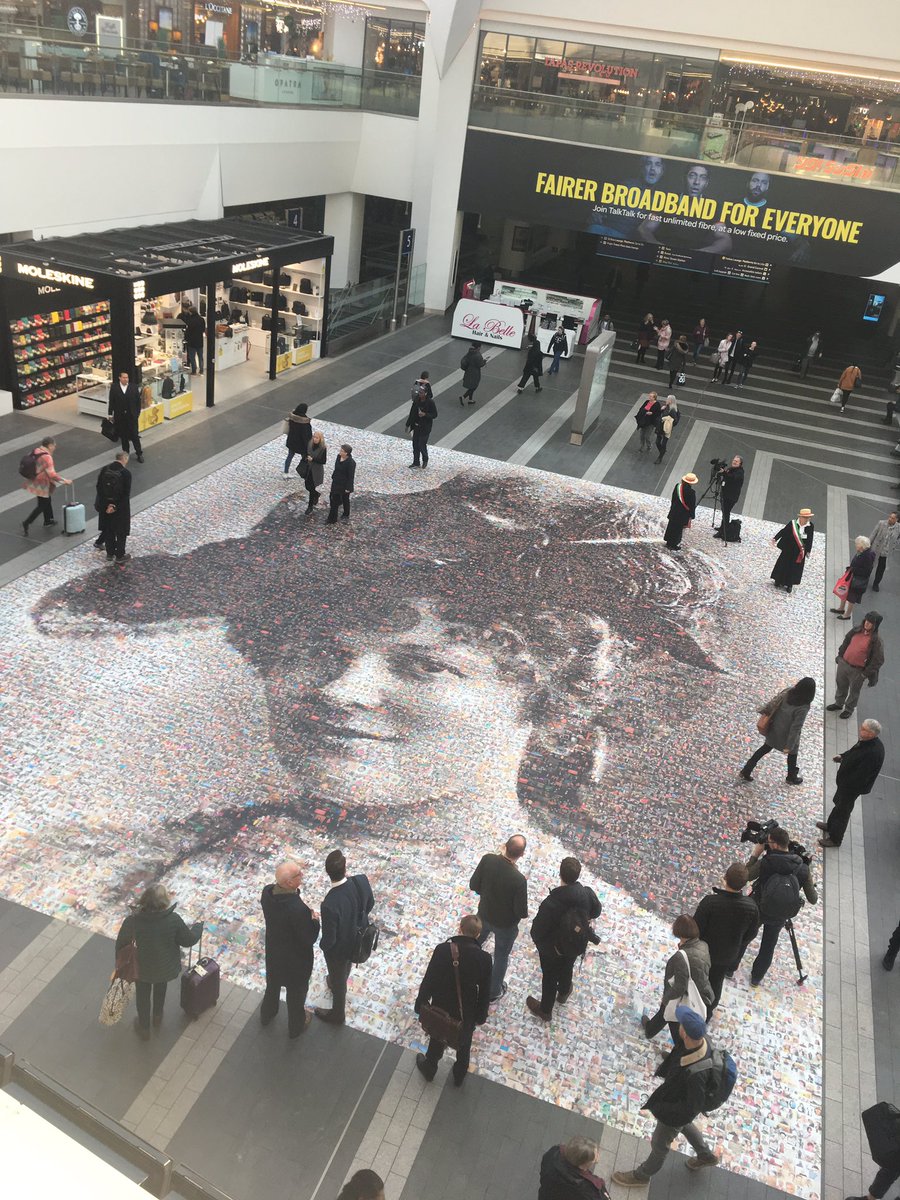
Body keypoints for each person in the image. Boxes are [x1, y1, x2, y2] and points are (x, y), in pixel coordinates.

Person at [612, 1006, 723, 1185]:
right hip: (677, 1098)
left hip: (674, 1111)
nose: (678, 1025)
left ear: (685, 1033)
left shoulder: (697, 1074)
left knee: (659, 1145)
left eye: (681, 1024)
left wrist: (664, 1110)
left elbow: (690, 1109)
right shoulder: (700, 1041)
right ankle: (705, 1155)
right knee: (685, 1125)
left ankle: (641, 1176)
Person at [115, 883, 202, 1040]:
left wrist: (121, 966)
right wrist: (198, 927)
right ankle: (157, 1016)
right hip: (164, 966)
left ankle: (144, 1028)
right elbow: (188, 940)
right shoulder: (173, 920)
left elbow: (121, 945)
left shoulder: (132, 921)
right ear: (164, 901)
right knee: (160, 988)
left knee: (142, 995)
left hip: (140, 967)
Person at [414, 913, 492, 1085]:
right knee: (464, 1040)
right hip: (467, 1008)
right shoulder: (484, 959)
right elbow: (485, 991)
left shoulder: (442, 949)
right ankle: (459, 1074)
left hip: (441, 1001)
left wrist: (421, 1002)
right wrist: (481, 1015)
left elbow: (430, 978)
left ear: (460, 928)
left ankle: (430, 1067)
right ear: (478, 934)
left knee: (437, 1032)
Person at [526, 856, 601, 1022]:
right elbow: (596, 911)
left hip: (553, 949)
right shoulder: (586, 893)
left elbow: (537, 930)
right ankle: (564, 991)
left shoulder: (551, 902)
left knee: (550, 976)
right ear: (578, 875)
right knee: (568, 965)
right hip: (576, 943)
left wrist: (542, 946)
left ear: (560, 874)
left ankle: (545, 1010)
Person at [745, 826, 817, 985]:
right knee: (769, 945)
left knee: (745, 936)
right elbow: (813, 898)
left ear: (775, 845)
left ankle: (730, 968)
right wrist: (807, 872)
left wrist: (755, 855)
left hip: (759, 908)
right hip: (781, 913)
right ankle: (756, 978)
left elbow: (745, 876)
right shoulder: (802, 868)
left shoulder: (767, 862)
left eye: (769, 842)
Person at [259, 860, 320, 1037]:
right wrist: (315, 921)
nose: (302, 875)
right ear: (289, 883)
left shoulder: (267, 893)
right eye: (298, 874)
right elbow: (308, 938)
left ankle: (267, 1014)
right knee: (296, 995)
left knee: (272, 987)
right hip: (295, 961)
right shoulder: (297, 909)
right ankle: (296, 1026)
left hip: (274, 953)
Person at [314, 849, 375, 1025]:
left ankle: (337, 1014)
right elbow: (370, 903)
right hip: (359, 938)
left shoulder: (329, 904)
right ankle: (334, 981)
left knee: (339, 980)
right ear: (345, 867)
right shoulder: (360, 881)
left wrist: (323, 947)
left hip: (340, 950)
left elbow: (329, 940)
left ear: (327, 873)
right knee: (344, 968)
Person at [469, 834, 528, 1002]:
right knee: (501, 956)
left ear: (505, 846)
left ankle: (464, 969)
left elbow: (473, 884)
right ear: (522, 854)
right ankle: (493, 991)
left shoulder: (487, 860)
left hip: (484, 915)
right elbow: (521, 912)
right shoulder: (519, 880)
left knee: (474, 944)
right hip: (505, 925)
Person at [693, 864, 760, 1011]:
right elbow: (751, 933)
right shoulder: (751, 906)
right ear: (744, 884)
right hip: (728, 954)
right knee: (716, 982)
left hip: (704, 951)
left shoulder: (710, 902)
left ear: (725, 879)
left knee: (695, 978)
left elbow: (696, 927)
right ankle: (708, 1010)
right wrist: (739, 943)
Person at [641, 914, 713, 1042]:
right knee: (665, 1014)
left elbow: (678, 986)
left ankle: (677, 1053)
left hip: (684, 997)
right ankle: (650, 1029)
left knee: (674, 1020)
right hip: (702, 990)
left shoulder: (680, 957)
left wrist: (666, 998)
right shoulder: (704, 945)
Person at [818, 718, 884, 848]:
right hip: (846, 785)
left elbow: (861, 776)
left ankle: (835, 839)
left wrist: (845, 785)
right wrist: (843, 757)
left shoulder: (873, 752)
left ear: (872, 734)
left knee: (843, 811)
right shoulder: (866, 742)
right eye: (861, 727)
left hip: (851, 788)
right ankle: (830, 825)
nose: (860, 730)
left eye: (864, 729)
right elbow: (854, 752)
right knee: (838, 805)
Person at [739, 676, 815, 786]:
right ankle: (791, 777)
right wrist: (789, 745)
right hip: (787, 734)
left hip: (775, 728)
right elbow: (796, 727)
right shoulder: (803, 707)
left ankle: (746, 770)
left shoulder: (789, 692)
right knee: (792, 755)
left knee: (764, 748)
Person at [827, 611, 884, 718]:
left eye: (871, 622)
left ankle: (849, 709)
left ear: (875, 626)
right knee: (841, 685)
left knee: (854, 691)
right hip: (844, 663)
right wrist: (840, 656)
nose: (867, 623)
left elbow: (878, 660)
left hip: (858, 670)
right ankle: (838, 703)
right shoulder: (856, 630)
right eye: (867, 620)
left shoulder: (876, 641)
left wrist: (864, 674)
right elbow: (846, 642)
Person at [21, 437, 71, 535]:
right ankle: (27, 522)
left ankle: (48, 520)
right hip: (42, 483)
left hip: (34, 480)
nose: (55, 448)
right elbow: (52, 474)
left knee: (46, 500)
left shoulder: (37, 450)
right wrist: (64, 481)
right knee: (42, 505)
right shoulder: (47, 457)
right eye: (54, 446)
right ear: (50, 445)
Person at [94, 451, 133, 564]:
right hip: (120, 508)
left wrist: (107, 505)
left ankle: (110, 553)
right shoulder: (126, 473)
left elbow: (99, 488)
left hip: (105, 507)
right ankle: (120, 555)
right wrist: (115, 506)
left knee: (108, 529)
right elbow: (126, 493)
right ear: (125, 459)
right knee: (121, 531)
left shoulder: (105, 469)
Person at [539, 1136, 606, 1200]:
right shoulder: (589, 1189)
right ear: (582, 1166)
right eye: (595, 1159)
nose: (598, 1157)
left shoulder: (553, 1153)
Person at [831, 535, 876, 620]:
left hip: (857, 580)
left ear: (862, 546)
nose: (856, 546)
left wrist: (853, 569)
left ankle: (847, 614)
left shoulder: (867, 556)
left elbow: (867, 571)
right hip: (852, 576)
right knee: (844, 591)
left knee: (851, 597)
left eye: (857, 544)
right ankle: (841, 608)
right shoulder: (862, 552)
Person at [770, 508, 814, 593]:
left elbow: (810, 538)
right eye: (806, 517)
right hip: (788, 549)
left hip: (799, 551)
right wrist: (775, 538)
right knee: (783, 564)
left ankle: (789, 584)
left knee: (794, 568)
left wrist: (808, 550)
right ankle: (778, 580)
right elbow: (784, 531)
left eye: (808, 517)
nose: (808, 519)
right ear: (801, 517)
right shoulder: (793, 523)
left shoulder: (810, 526)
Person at [108, 371, 144, 462]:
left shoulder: (133, 387)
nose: (126, 379)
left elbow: (138, 402)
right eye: (124, 377)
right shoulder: (114, 387)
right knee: (124, 437)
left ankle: (139, 453)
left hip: (132, 417)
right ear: (119, 378)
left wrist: (137, 414)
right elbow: (111, 401)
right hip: (120, 417)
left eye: (127, 377)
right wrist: (110, 413)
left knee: (135, 436)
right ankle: (126, 454)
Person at [406, 372, 437, 469]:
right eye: (419, 392)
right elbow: (412, 413)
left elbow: (435, 414)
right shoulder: (416, 401)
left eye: (421, 393)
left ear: (426, 393)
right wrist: (408, 424)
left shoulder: (430, 402)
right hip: (416, 425)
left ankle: (425, 459)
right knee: (415, 444)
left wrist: (425, 415)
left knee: (421, 443)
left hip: (425, 427)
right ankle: (416, 462)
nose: (419, 394)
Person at [664, 473, 697, 551]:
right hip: (683, 514)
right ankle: (673, 544)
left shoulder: (677, 486)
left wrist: (672, 507)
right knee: (678, 529)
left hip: (674, 510)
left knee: (671, 526)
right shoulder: (691, 492)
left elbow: (673, 498)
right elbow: (692, 505)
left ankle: (668, 542)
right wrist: (692, 515)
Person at [714, 456, 744, 540]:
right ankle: (722, 528)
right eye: (734, 460)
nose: (734, 462)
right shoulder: (731, 469)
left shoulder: (740, 472)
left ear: (740, 464)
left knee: (726, 513)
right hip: (725, 495)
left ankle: (722, 532)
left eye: (736, 461)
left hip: (730, 497)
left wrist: (724, 473)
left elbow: (732, 477)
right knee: (725, 512)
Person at [869, 512, 900, 591]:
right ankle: (865, 579)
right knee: (870, 566)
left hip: (885, 553)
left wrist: (894, 545)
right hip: (876, 549)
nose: (890, 519)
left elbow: (897, 539)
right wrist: (868, 545)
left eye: (892, 518)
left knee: (881, 570)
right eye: (890, 517)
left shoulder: (898, 528)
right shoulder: (881, 523)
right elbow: (873, 534)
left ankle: (876, 584)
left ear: (896, 520)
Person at [326, 444, 356, 524]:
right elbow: (336, 468)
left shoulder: (351, 463)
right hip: (336, 482)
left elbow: (351, 476)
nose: (340, 452)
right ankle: (334, 517)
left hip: (344, 485)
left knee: (344, 499)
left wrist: (348, 488)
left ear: (346, 453)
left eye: (342, 451)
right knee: (333, 498)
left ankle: (340, 516)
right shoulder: (338, 457)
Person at [284, 402, 312, 477]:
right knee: (305, 457)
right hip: (301, 444)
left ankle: (285, 472)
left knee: (290, 456)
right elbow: (306, 436)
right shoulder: (304, 421)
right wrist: (309, 445)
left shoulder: (292, 417)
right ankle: (305, 472)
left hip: (291, 441)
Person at [303, 430, 327, 514]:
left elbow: (323, 461)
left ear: (320, 439)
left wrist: (313, 459)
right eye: (314, 437)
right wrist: (306, 458)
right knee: (307, 486)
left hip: (316, 471)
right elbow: (306, 453)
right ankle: (316, 495)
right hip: (309, 469)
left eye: (317, 438)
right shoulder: (310, 444)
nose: (315, 439)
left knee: (312, 488)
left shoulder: (323, 448)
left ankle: (310, 506)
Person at [180, 301, 205, 375]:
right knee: (200, 357)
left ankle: (194, 370)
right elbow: (203, 329)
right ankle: (201, 370)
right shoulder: (201, 319)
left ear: (191, 312)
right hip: (200, 341)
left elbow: (188, 331)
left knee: (192, 357)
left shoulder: (190, 320)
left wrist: (186, 338)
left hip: (191, 342)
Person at [654, 396, 678, 464]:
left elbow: (675, 421)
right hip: (660, 427)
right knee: (657, 442)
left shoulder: (672, 410)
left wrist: (667, 420)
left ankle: (660, 457)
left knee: (663, 443)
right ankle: (662, 451)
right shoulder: (666, 407)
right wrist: (661, 409)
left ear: (670, 401)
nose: (666, 400)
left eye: (667, 399)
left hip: (666, 429)